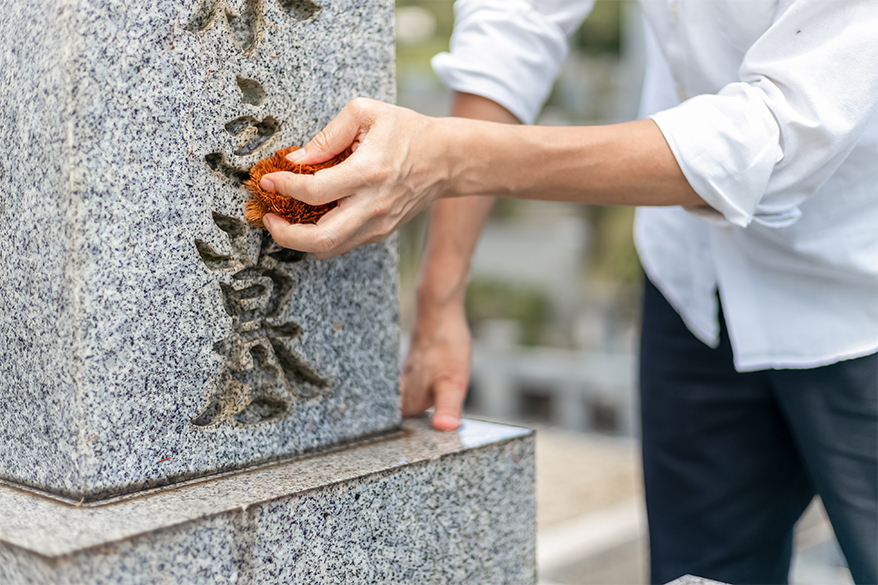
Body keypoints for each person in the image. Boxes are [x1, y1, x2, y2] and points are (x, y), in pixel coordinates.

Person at [255, 0, 878, 582]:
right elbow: (515, 21)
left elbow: (786, 129)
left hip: (859, 293)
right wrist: (440, 298)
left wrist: (452, 160)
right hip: (692, 283)